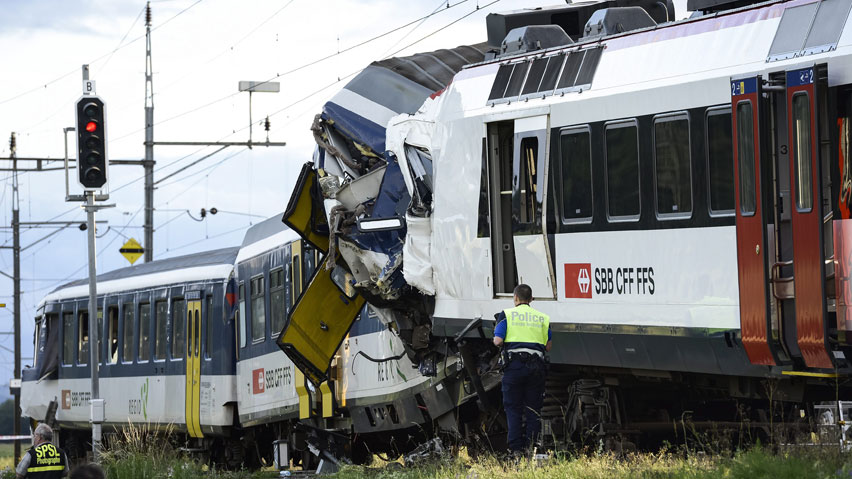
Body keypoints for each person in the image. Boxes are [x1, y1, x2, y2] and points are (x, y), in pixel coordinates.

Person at [493, 284, 552, 454]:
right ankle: (532, 447)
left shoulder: (507, 315)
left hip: (514, 367)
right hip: (536, 367)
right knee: (534, 409)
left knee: (513, 408)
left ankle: (516, 450)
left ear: (515, 298)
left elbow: (497, 341)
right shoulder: (542, 318)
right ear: (531, 299)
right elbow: (548, 346)